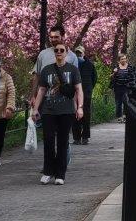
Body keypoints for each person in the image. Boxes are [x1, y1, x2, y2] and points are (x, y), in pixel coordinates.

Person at [32, 43, 83, 186]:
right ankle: (48, 172)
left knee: (62, 142)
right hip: (49, 110)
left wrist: (80, 107)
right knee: (48, 141)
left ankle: (60, 174)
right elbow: (41, 90)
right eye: (57, 50)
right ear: (54, 52)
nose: (59, 52)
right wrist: (35, 109)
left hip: (66, 111)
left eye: (62, 50)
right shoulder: (47, 70)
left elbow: (79, 89)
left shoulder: (72, 69)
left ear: (67, 53)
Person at [30, 25, 78, 108]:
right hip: (44, 100)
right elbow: (36, 76)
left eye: (56, 37)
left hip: (64, 100)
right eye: (51, 37)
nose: (53, 40)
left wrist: (76, 104)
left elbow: (76, 82)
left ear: (63, 36)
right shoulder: (43, 54)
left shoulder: (72, 57)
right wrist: (33, 96)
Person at [72, 46, 97, 145]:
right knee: (75, 114)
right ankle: (76, 137)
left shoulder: (90, 64)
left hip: (86, 92)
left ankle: (85, 137)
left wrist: (89, 88)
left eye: (80, 53)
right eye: (77, 53)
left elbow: (94, 77)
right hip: (74, 93)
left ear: (83, 53)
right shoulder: (73, 64)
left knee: (86, 114)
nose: (78, 55)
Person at [109, 53, 135, 122]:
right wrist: (114, 72)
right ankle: (119, 117)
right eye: (122, 59)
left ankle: (125, 116)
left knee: (126, 101)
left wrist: (131, 84)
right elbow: (110, 77)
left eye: (125, 59)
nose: (124, 60)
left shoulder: (129, 67)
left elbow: (133, 77)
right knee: (118, 102)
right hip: (118, 87)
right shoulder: (116, 67)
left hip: (127, 87)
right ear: (119, 60)